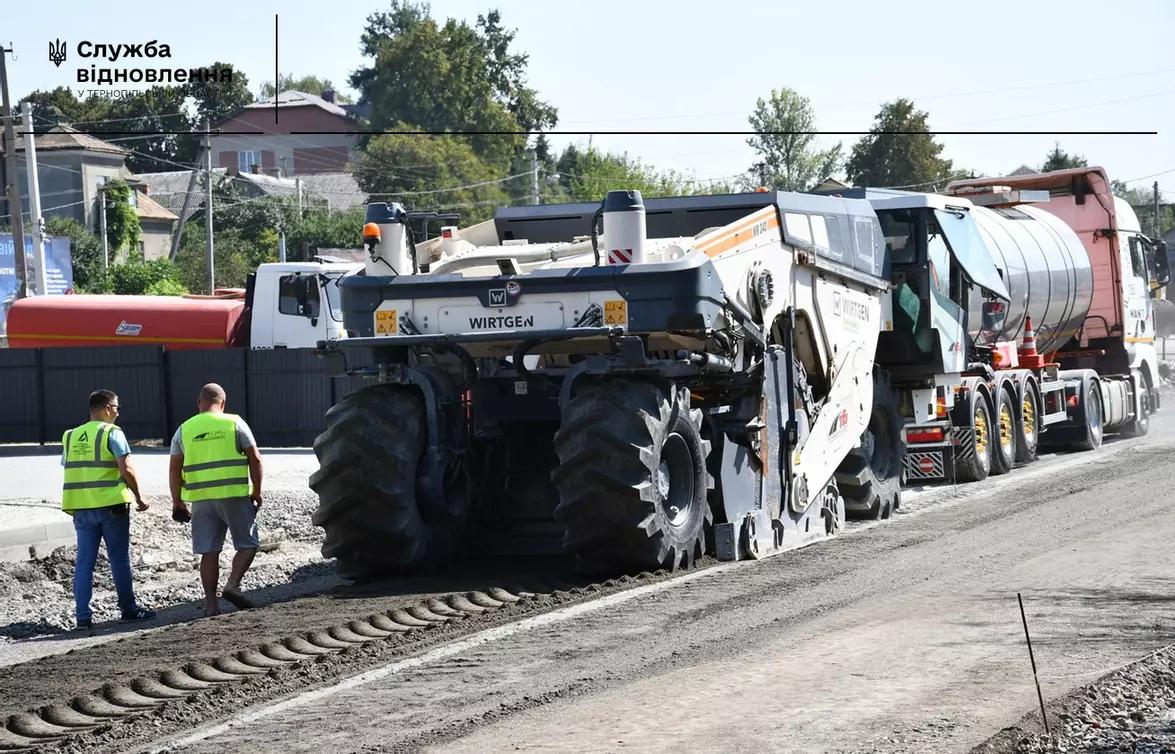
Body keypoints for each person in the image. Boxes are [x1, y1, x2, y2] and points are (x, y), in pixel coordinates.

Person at [61, 389, 156, 630]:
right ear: (106, 409)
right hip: (112, 505)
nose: (117, 412)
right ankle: (128, 609)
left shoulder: (70, 436)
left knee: (84, 562)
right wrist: (139, 496)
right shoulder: (112, 433)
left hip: (81, 507)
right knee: (119, 559)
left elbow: (72, 466)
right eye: (116, 408)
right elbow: (127, 469)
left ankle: (82, 617)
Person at [169, 383, 263, 617]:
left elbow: (174, 468)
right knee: (248, 544)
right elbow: (256, 459)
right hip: (234, 496)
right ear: (223, 403)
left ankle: (212, 606)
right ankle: (232, 585)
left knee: (209, 552)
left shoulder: (184, 429)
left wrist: (177, 501)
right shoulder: (235, 423)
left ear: (199, 403)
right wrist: (257, 492)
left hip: (201, 500)